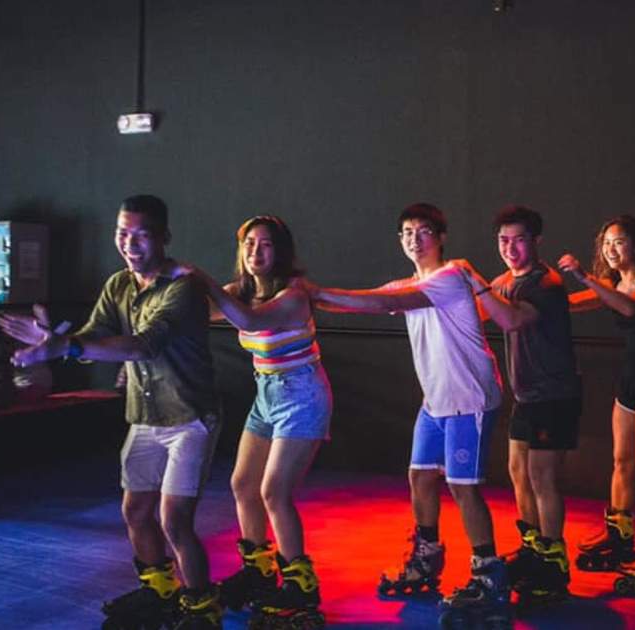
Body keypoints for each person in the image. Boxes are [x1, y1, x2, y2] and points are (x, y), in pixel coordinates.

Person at [0, 195, 223, 629]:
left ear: (164, 237)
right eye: (122, 233)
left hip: (190, 417)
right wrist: (53, 338)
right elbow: (92, 335)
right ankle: (160, 591)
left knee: (174, 520)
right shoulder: (118, 284)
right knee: (135, 511)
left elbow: (143, 345)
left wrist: (66, 346)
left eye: (141, 235)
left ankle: (202, 607)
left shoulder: (182, 288)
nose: (129, 244)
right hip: (145, 415)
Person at [309, 203, 510, 625]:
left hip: (468, 399)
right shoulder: (410, 282)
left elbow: (383, 303)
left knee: (462, 488)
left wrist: (313, 293)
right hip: (435, 401)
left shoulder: (450, 277)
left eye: (422, 231)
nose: (413, 239)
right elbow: (364, 301)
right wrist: (308, 296)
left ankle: (488, 576)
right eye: (406, 233)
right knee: (420, 476)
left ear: (441, 237)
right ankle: (426, 556)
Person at [184, 215, 330, 628]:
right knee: (243, 484)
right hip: (266, 394)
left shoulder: (294, 295)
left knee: (274, 492)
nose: (255, 252)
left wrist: (203, 279)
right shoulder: (239, 292)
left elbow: (249, 321)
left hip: (302, 395)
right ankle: (259, 572)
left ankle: (300, 585)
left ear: (280, 252)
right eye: (249, 243)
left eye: (265, 244)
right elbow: (199, 314)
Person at [453, 205, 581, 607]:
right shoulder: (505, 282)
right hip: (526, 396)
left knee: (543, 478)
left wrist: (475, 281)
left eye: (519, 240)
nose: (510, 248)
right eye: (503, 240)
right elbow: (474, 314)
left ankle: (554, 561)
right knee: (518, 472)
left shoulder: (546, 284)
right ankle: (533, 548)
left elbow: (509, 320)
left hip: (554, 395)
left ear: (536, 241)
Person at [558, 215, 635, 595]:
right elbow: (568, 304)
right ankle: (620, 537)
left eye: (619, 242)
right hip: (631, 379)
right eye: (606, 243)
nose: (611, 249)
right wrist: (527, 296)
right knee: (621, 461)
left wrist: (585, 277)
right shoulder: (612, 284)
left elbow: (630, 307)